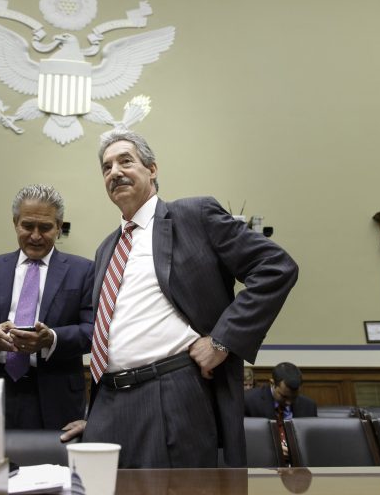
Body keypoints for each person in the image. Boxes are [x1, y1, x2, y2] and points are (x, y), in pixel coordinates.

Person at [81, 129, 299, 468]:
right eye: (106, 167)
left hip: (168, 395)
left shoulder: (193, 215)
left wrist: (222, 341)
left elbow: (276, 267)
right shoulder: (106, 249)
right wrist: (94, 414)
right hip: (107, 402)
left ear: (152, 169)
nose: (115, 172)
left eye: (125, 161)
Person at [0, 184, 94, 430]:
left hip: (56, 395)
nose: (36, 236)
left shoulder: (83, 271)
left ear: (59, 227)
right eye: (28, 226)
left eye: (45, 227)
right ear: (15, 223)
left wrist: (51, 339)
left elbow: (93, 331)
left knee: (53, 457)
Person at [244, 362, 318, 462]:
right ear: (272, 383)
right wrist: (276, 449)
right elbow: (247, 440)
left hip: (299, 464)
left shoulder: (308, 406)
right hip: (263, 463)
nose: (288, 402)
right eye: (284, 396)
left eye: (294, 397)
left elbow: (311, 443)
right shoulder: (248, 401)